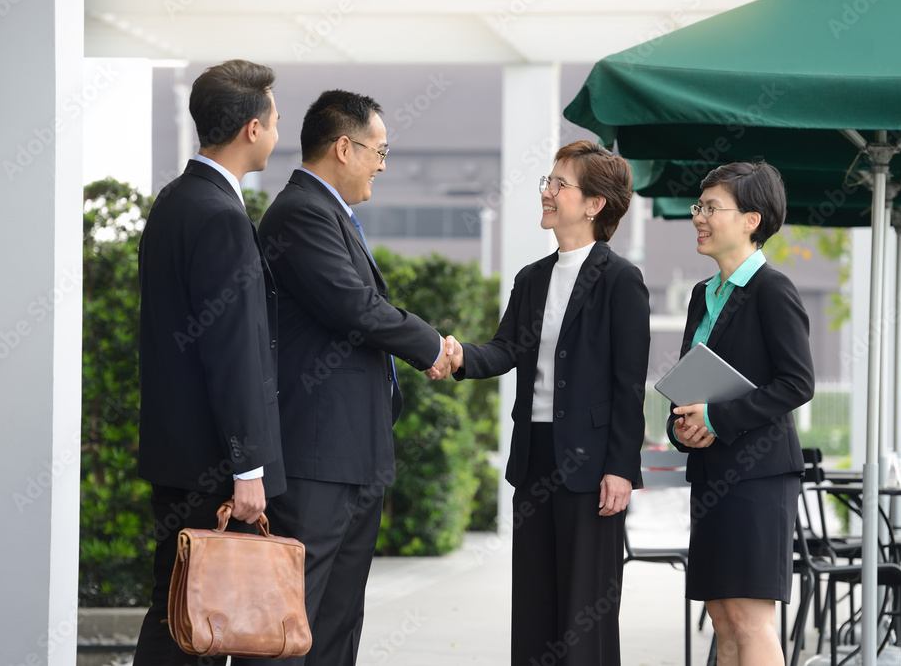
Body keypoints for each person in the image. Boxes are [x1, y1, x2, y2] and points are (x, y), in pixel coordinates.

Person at [257, 89, 455, 666]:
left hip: (353, 454)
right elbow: (354, 306)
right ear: (344, 147)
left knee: (338, 623)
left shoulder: (327, 213)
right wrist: (431, 346)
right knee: (290, 622)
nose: (383, 165)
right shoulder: (299, 213)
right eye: (379, 150)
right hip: (316, 460)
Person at [443, 140, 650, 665]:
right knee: (535, 604)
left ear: (594, 204)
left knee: (586, 609)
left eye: (560, 184)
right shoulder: (532, 278)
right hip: (535, 457)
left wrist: (622, 469)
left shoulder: (621, 281)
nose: (548, 193)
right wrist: (453, 354)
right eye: (548, 182)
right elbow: (506, 349)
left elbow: (629, 384)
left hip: (591, 466)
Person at [135, 59, 285, 666]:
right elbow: (232, 350)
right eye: (274, 120)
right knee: (198, 622)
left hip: (178, 451)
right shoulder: (221, 215)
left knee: (175, 608)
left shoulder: (176, 200)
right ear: (252, 128)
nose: (278, 132)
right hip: (214, 462)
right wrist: (248, 467)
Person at [666, 161, 815, 666]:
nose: (699, 217)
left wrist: (717, 419)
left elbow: (798, 383)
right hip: (711, 474)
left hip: (760, 476)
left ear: (752, 219)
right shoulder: (700, 296)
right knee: (724, 619)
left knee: (751, 620)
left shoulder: (774, 290)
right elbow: (690, 382)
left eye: (712, 207)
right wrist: (683, 424)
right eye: (698, 206)